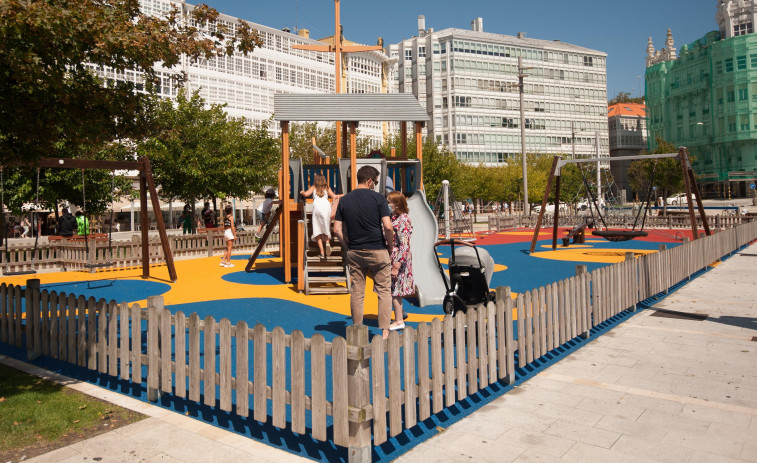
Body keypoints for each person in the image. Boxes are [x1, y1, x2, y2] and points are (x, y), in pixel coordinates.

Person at [334, 165, 395, 340]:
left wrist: (347, 246)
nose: (374, 185)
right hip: (377, 249)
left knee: (357, 292)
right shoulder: (378, 199)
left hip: (355, 250)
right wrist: (390, 247)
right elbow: (388, 226)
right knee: (384, 291)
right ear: (369, 181)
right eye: (374, 182)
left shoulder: (344, 200)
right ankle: (384, 332)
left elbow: (337, 229)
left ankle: (357, 330)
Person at [386, 191, 414, 331]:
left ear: (396, 204)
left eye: (389, 202)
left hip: (399, 259)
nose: (387, 205)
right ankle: (399, 313)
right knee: (392, 288)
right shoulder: (392, 217)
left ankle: (399, 321)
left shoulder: (404, 219)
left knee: (396, 289)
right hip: (392, 256)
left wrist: (397, 264)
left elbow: (405, 244)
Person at [301, 174, 340, 259]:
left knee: (317, 229)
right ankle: (327, 243)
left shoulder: (313, 187)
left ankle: (322, 252)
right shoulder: (327, 187)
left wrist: (302, 192)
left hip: (317, 206)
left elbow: (306, 194)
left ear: (316, 180)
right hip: (326, 206)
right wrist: (342, 195)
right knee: (326, 226)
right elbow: (334, 196)